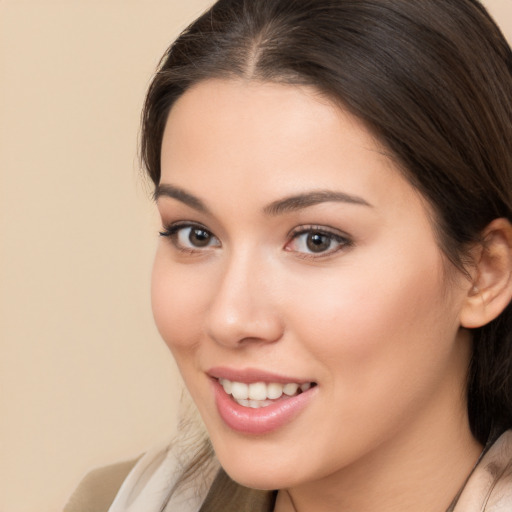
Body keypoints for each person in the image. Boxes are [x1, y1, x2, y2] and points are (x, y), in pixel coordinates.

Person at [65, 0, 512, 510]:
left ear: (483, 273)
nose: (230, 318)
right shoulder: (110, 502)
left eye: (316, 240)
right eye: (194, 234)